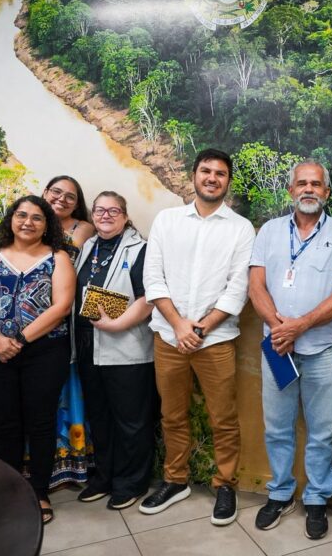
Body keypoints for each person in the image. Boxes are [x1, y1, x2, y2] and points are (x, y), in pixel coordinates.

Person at [249, 161, 332, 539]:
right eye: (302, 183)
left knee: (321, 431)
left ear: (327, 192)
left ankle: (316, 498)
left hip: (322, 348)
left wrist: (300, 325)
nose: (309, 189)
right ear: (291, 190)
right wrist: (281, 328)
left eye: (316, 184)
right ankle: (280, 493)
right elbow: (256, 287)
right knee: (277, 427)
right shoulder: (269, 231)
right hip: (277, 347)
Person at [139, 149, 255, 525]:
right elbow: (153, 278)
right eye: (206, 171)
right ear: (194, 175)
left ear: (228, 181)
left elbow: (238, 289)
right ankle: (176, 480)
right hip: (168, 336)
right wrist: (178, 325)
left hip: (215, 341)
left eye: (220, 173)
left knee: (223, 418)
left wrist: (201, 328)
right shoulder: (167, 220)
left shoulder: (241, 228)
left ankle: (225, 484)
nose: (212, 178)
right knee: (172, 415)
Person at [0, 195, 74, 525]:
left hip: (45, 352)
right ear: (11, 219)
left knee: (41, 422)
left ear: (47, 224)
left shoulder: (58, 258)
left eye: (37, 217)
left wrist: (21, 340)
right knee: (5, 423)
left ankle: (39, 492)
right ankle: (9, 491)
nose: (28, 222)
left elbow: (61, 307)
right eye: (21, 215)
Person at [72, 191, 159, 511]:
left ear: (125, 216)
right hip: (88, 348)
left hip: (127, 350)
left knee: (131, 421)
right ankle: (104, 477)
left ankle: (131, 482)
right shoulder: (88, 247)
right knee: (100, 416)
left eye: (113, 211)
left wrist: (117, 324)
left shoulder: (140, 249)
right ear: (92, 215)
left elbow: (148, 297)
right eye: (99, 210)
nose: (105, 216)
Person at [42, 175, 95, 489]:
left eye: (70, 197)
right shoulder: (28, 221)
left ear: (77, 204)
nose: (61, 199)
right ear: (45, 192)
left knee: (68, 388)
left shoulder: (81, 228)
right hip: (30, 321)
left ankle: (72, 465)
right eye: (56, 192)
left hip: (68, 318)